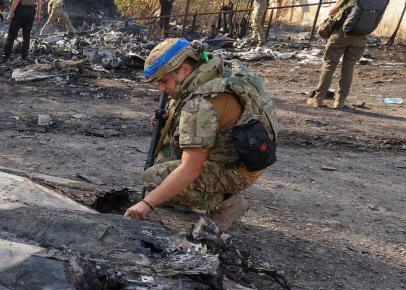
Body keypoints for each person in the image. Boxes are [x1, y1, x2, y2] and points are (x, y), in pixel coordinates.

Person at [125, 39, 278, 231]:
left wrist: (147, 203)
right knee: (166, 158)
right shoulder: (213, 70)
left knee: (155, 178)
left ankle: (227, 204)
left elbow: (191, 168)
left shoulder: (201, 103)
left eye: (164, 81)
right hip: (241, 152)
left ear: (185, 69)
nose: (161, 89)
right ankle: (184, 194)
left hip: (238, 170)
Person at [307, 0, 384, 109]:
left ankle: (318, 99)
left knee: (329, 66)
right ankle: (340, 101)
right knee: (348, 68)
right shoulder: (379, 2)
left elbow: (333, 12)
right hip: (360, 37)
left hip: (341, 34)